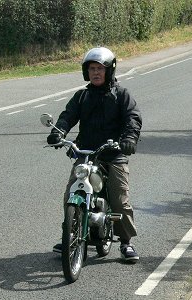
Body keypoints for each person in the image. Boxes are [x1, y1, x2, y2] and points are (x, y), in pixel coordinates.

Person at [46, 47, 142, 262]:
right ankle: (70, 233)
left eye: (100, 68)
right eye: (92, 69)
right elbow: (67, 116)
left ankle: (126, 242)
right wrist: (58, 132)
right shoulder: (82, 96)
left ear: (110, 71)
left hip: (114, 154)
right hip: (86, 153)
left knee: (120, 200)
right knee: (71, 193)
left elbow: (132, 119)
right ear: (86, 71)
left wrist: (129, 140)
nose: (96, 73)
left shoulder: (122, 95)